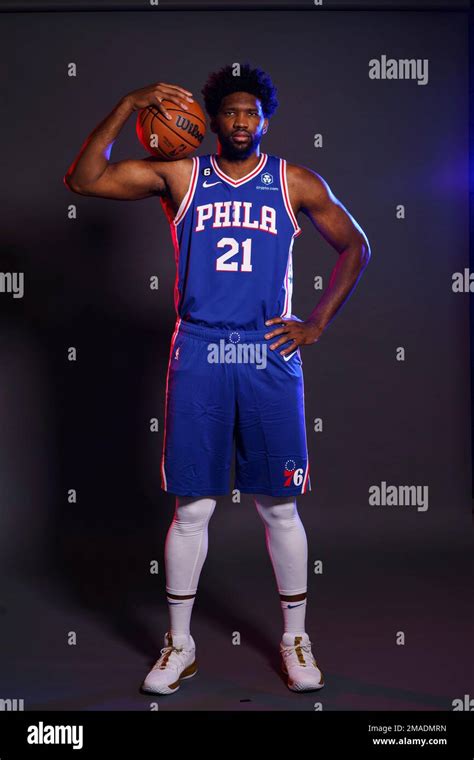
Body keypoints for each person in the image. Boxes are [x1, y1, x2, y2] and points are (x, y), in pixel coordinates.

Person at [64, 63, 371, 696]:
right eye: (229, 112)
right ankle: (180, 644)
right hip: (201, 348)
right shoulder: (181, 174)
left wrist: (316, 322)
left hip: (266, 352)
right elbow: (83, 177)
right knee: (193, 507)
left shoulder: (294, 181)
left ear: (265, 120)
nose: (239, 121)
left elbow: (356, 245)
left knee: (279, 505)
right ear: (211, 120)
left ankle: (294, 639)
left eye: (250, 113)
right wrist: (129, 101)